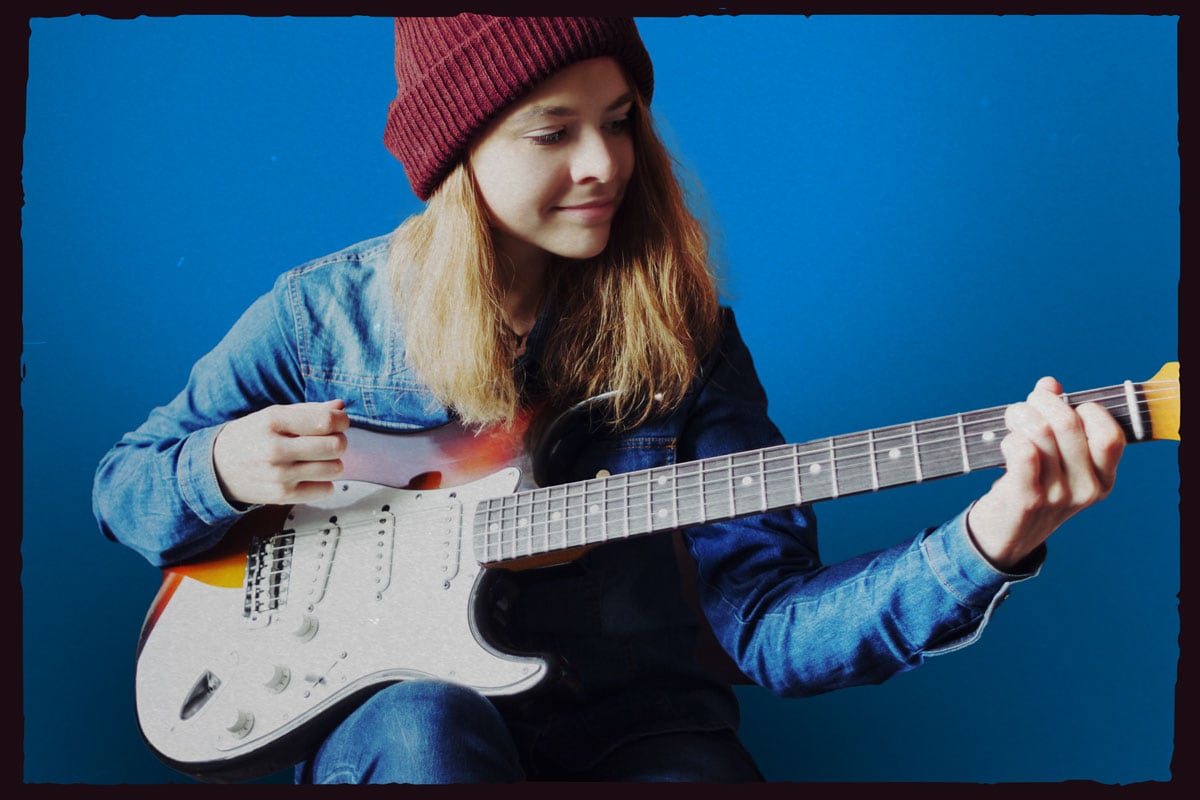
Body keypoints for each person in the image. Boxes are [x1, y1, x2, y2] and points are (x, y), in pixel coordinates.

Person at [92, 15, 1127, 784]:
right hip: (406, 724)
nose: (606, 164)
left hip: (637, 728)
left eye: (620, 121)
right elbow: (125, 487)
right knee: (425, 730)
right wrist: (222, 465)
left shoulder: (686, 338)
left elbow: (767, 626)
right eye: (555, 132)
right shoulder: (328, 318)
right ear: (461, 157)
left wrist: (995, 535)